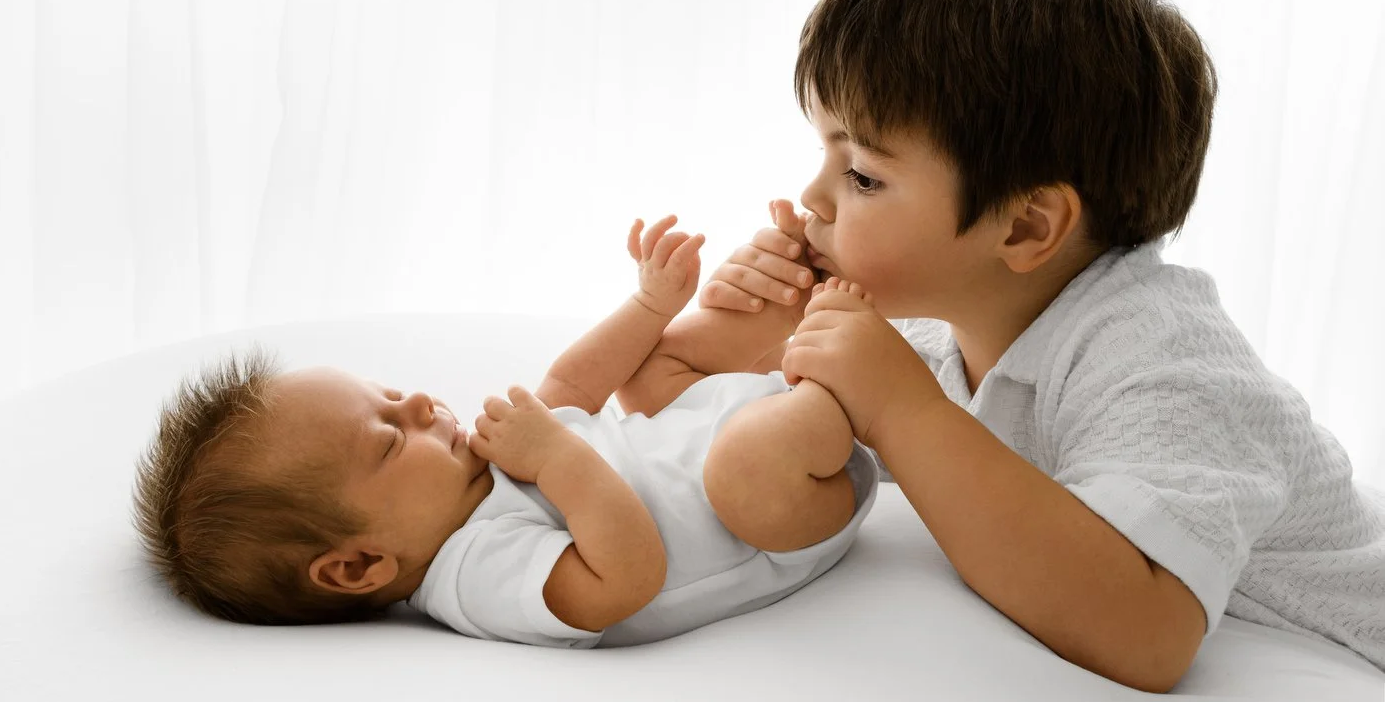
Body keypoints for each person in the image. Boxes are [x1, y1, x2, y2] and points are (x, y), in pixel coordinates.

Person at [676, 0, 1385, 691]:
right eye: (824, 152)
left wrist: (903, 410)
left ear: (1026, 227)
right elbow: (702, 433)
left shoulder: (1163, 356)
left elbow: (1146, 633)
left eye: (864, 176)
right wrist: (745, 336)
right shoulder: (936, 335)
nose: (811, 197)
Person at [132, 215, 879, 648]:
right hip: (779, 517)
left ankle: (799, 306)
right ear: (359, 566)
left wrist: (651, 305)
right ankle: (844, 379)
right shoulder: (474, 575)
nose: (419, 403)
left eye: (391, 394)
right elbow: (628, 577)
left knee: (652, 369)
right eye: (390, 439)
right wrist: (554, 458)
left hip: (734, 433)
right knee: (744, 466)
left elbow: (570, 387)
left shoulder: (479, 470)